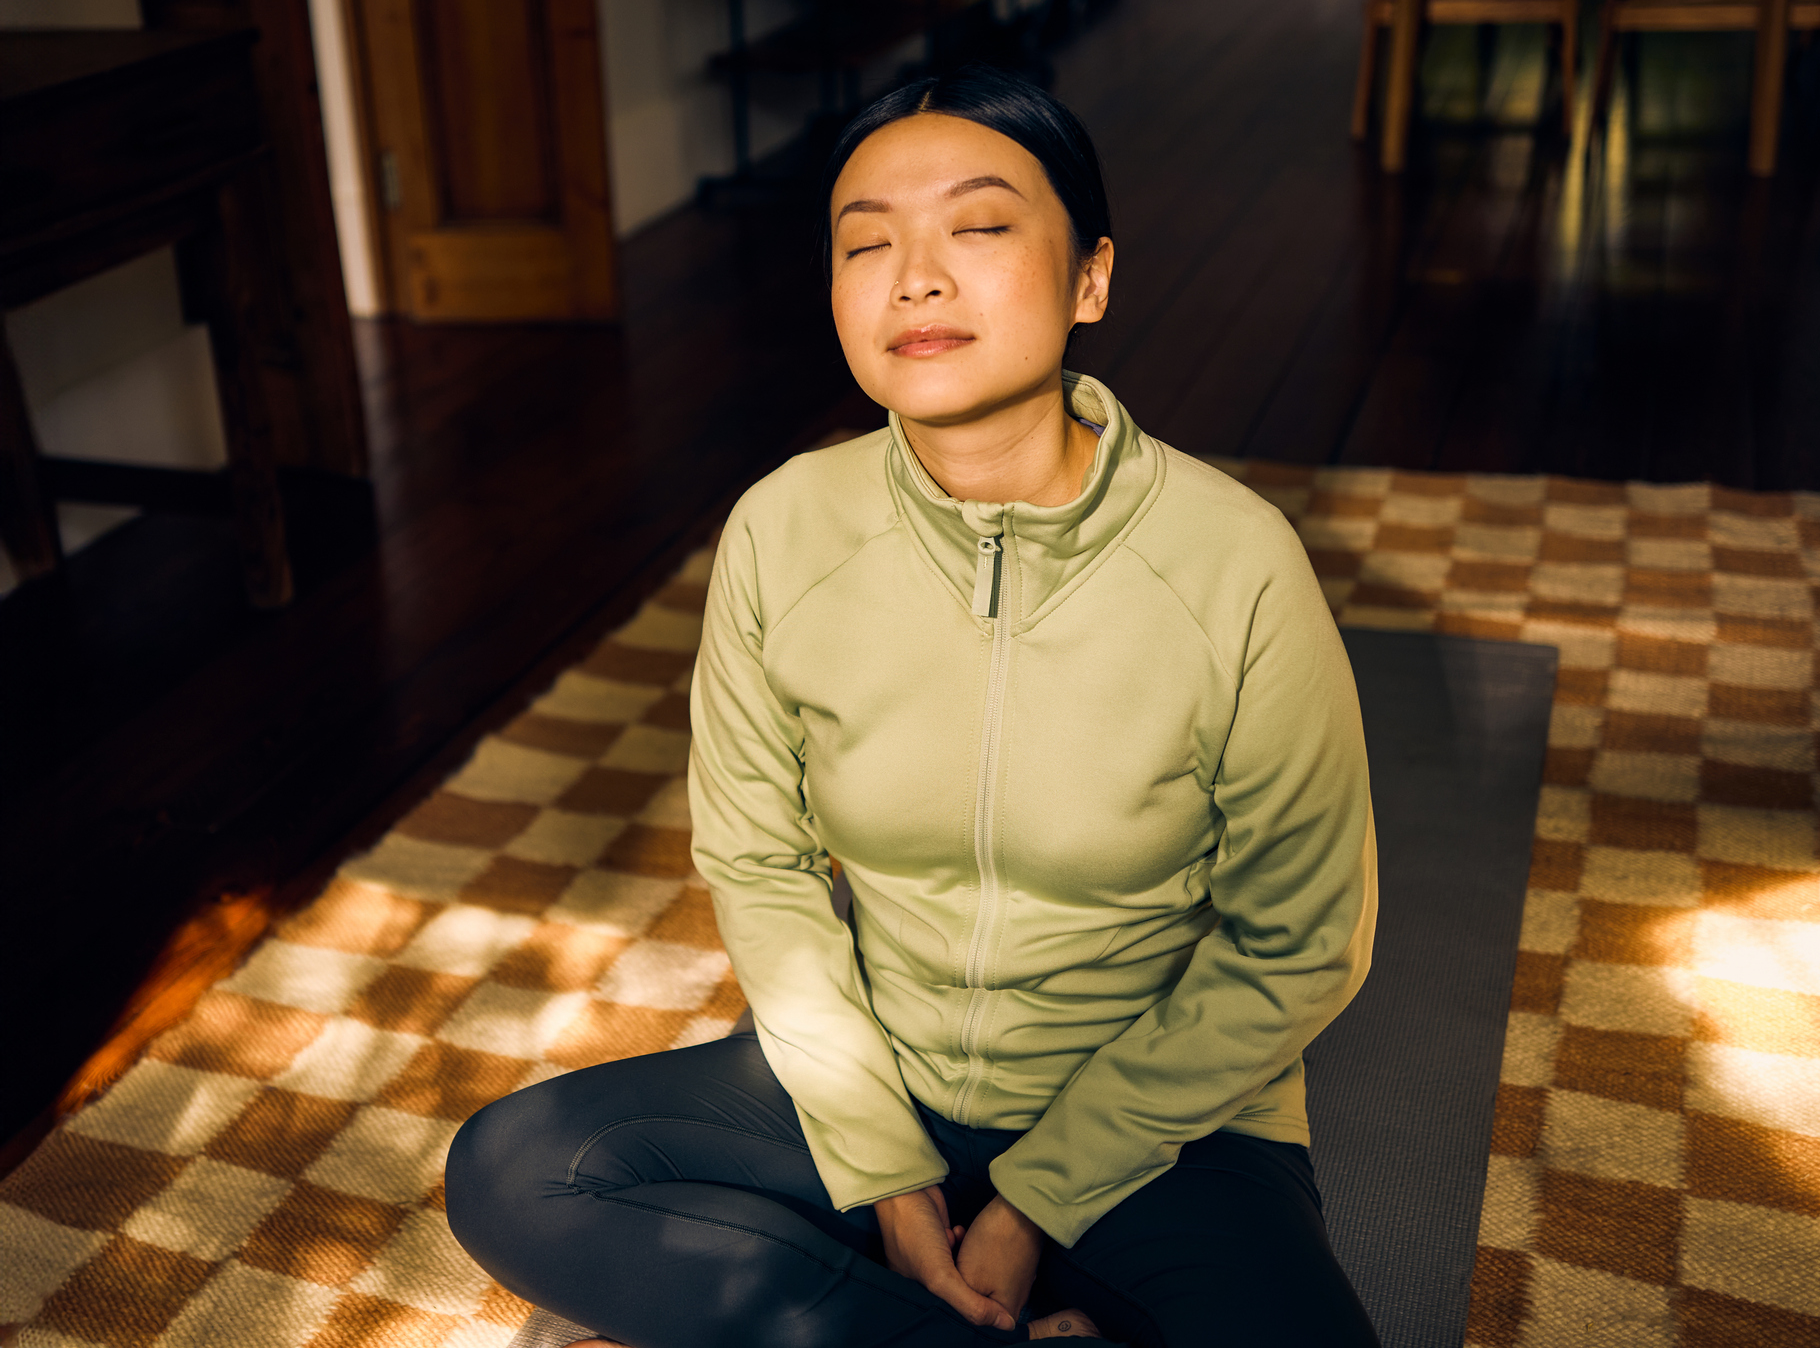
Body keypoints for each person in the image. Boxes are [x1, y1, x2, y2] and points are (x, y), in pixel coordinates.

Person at [445, 66, 1382, 1348]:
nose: (916, 280)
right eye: (866, 243)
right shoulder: (783, 529)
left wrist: (1036, 1200)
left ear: (1092, 278)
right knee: (518, 1171)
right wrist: (888, 1172)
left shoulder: (1236, 561)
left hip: (1161, 1124)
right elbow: (759, 863)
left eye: (980, 226)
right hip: (878, 1086)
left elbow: (1300, 940)